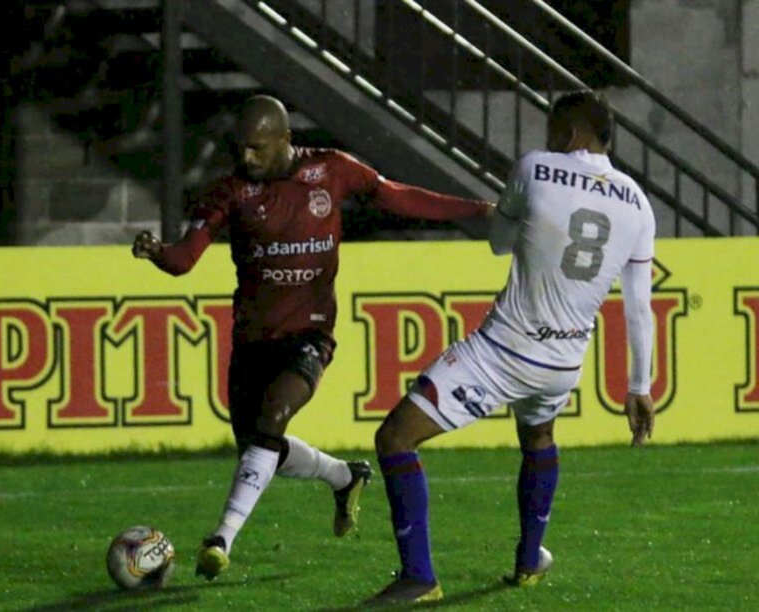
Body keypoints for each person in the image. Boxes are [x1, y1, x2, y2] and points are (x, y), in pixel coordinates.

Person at [132, 95, 492, 580]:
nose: (247, 159)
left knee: (274, 416)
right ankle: (344, 477)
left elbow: (398, 196)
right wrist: (157, 252)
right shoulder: (230, 192)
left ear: (285, 140)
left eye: (257, 149)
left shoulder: (331, 170)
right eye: (239, 149)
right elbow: (183, 260)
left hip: (310, 334)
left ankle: (221, 538)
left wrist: (473, 209)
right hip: (252, 339)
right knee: (259, 448)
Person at [367, 91, 656, 604]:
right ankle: (528, 562)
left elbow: (499, 243)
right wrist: (639, 386)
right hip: (564, 362)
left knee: (395, 439)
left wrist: (513, 218)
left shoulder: (536, 168)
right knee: (539, 437)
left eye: (551, 132)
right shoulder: (638, 203)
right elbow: (638, 307)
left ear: (566, 135)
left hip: (504, 352)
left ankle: (419, 576)